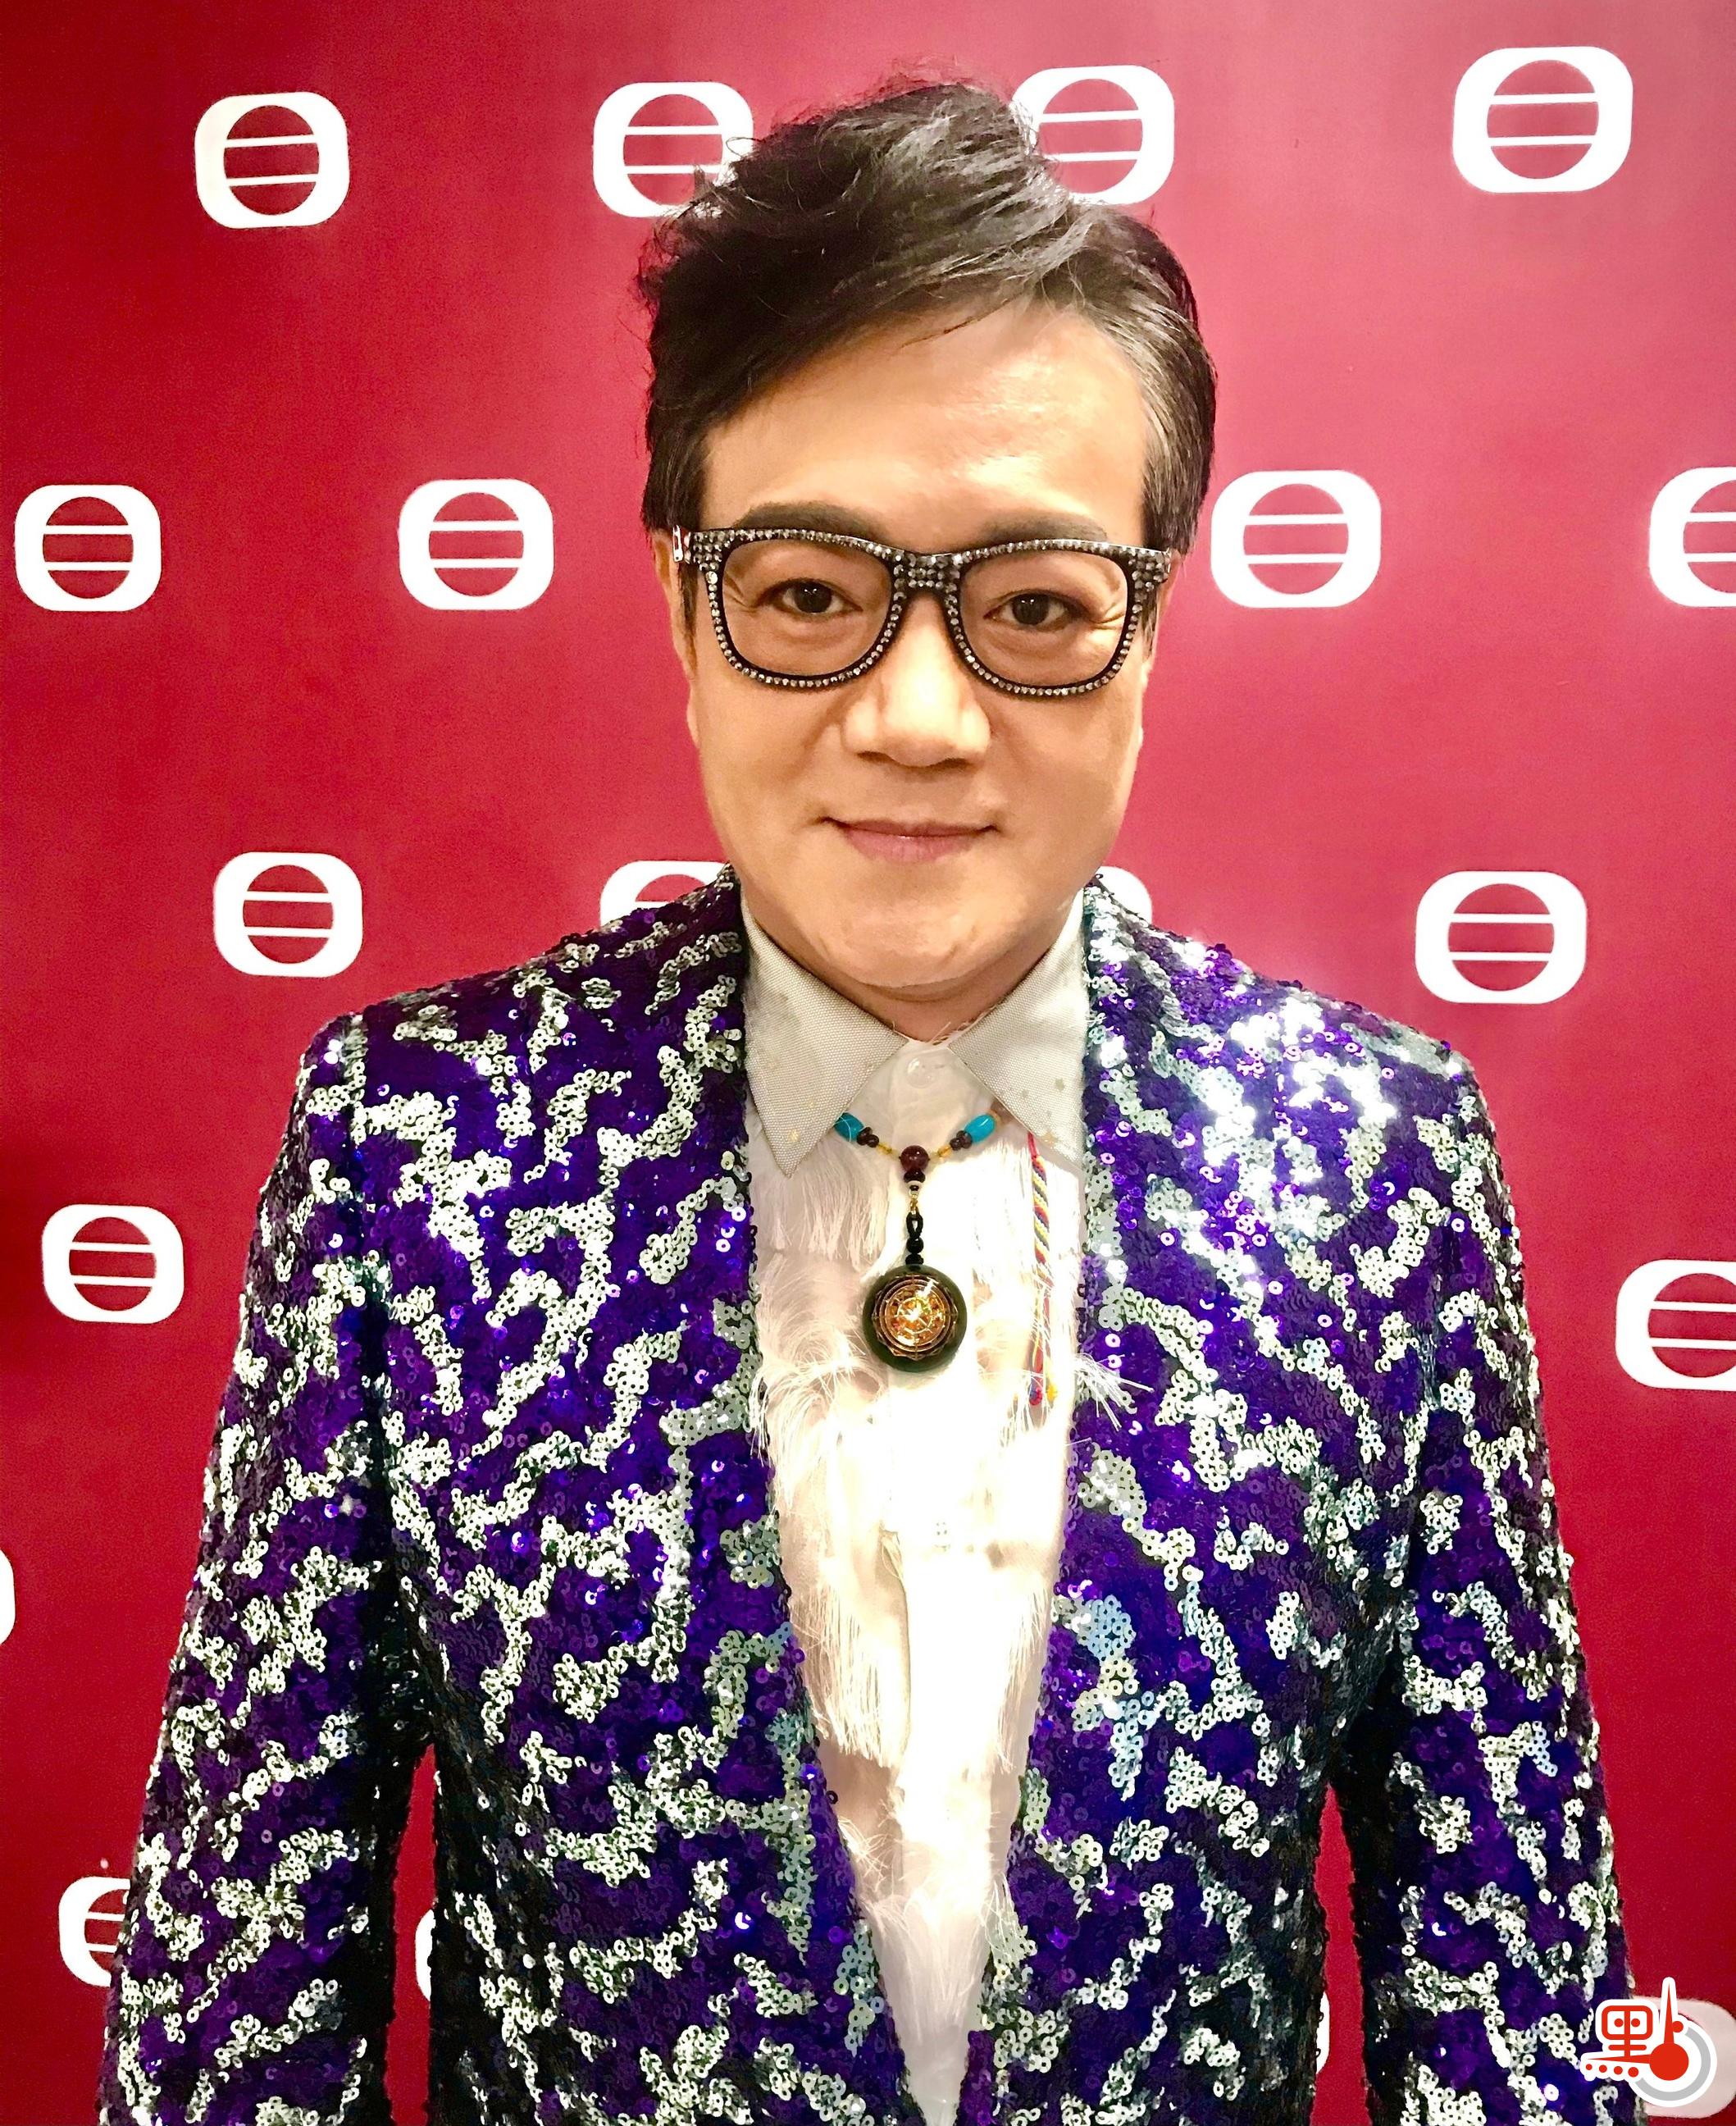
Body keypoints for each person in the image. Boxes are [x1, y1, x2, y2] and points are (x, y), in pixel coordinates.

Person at [98, 73, 1637, 2126]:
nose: (918, 716)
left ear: (1150, 632)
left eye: (1034, 608)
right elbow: (235, 1990)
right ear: (683, 608)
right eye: (811, 594)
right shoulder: (417, 1146)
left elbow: (1514, 1995)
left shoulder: (1376, 1164)